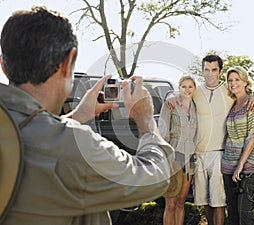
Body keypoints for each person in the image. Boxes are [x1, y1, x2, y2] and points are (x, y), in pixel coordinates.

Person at [0, 6, 175, 225]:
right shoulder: (74, 144)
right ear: (66, 63)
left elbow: (27, 136)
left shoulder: (21, 131)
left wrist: (79, 115)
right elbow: (153, 179)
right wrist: (146, 120)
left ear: (3, 66)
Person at [166, 55, 254, 225]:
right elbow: (182, 90)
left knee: (218, 202)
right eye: (206, 70)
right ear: (202, 71)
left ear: (220, 71)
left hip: (219, 154)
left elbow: (251, 96)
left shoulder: (228, 89)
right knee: (204, 201)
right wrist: (170, 95)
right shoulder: (197, 91)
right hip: (198, 154)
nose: (210, 74)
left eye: (214, 70)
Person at [221, 66, 254, 225]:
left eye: (237, 80)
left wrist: (241, 165)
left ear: (245, 82)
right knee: (232, 211)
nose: (233, 83)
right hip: (228, 164)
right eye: (230, 80)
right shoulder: (232, 106)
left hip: (248, 165)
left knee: (244, 213)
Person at [159, 75, 198, 225]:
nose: (187, 90)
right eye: (184, 86)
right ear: (179, 88)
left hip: (190, 159)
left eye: (190, 86)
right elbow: (163, 133)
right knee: (171, 204)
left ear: (194, 89)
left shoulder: (196, 107)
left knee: (181, 202)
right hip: (173, 157)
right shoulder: (171, 104)